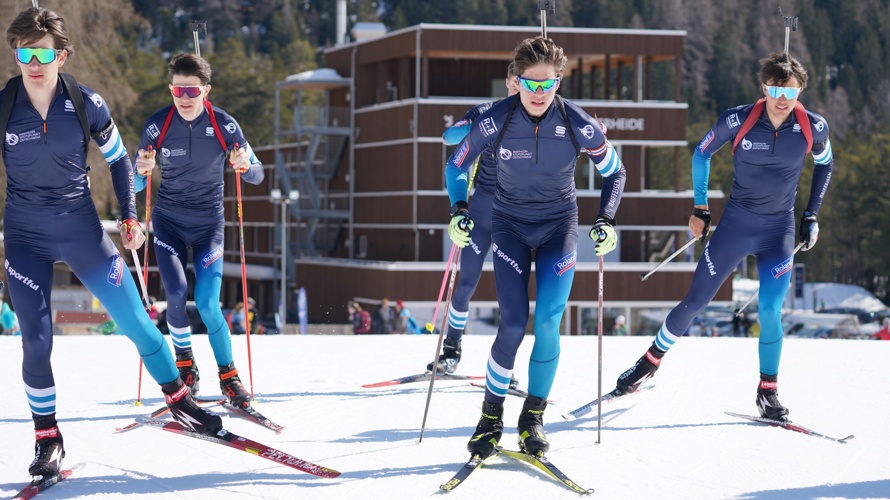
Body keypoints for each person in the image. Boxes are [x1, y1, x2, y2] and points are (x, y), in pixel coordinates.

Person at [2, 7, 221, 478]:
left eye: (42, 53)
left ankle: (181, 401)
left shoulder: (85, 101)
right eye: (23, 53)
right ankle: (47, 438)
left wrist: (127, 216)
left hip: (82, 230)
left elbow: (120, 161)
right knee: (36, 342)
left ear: (61, 55)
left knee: (139, 324)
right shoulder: (4, 105)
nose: (33, 63)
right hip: (24, 238)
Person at [611, 52, 833, 423]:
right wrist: (700, 208)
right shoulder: (739, 119)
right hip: (736, 227)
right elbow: (701, 153)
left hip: (778, 231)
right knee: (696, 300)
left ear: (800, 91)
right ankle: (649, 362)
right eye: (775, 89)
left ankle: (768, 392)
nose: (782, 98)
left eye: (790, 92)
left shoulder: (813, 126)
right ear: (764, 87)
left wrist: (811, 215)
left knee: (770, 310)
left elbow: (825, 165)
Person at [444, 37, 626, 458]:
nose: (540, 94)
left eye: (549, 85)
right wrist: (458, 210)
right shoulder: (496, 119)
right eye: (531, 84)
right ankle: (490, 418)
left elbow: (615, 173)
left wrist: (606, 220)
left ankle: (532, 418)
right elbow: (457, 163)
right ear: (517, 80)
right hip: (508, 228)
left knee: (547, 321)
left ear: (559, 82)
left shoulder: (579, 122)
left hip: (559, 228)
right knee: (512, 323)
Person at [133, 53, 264, 409]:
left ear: (206, 90)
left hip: (208, 226)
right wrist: (141, 170)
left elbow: (258, 173)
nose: (184, 98)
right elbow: (134, 182)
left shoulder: (225, 125)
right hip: (169, 224)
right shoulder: (157, 125)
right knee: (174, 294)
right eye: (177, 90)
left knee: (207, 303)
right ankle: (186, 366)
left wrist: (245, 164)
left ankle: (229, 375)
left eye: (191, 91)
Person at [426, 62, 520, 377]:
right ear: (508, 82)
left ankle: (506, 361)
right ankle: (451, 350)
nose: (522, 88)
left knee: (512, 291)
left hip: (514, 214)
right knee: (466, 282)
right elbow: (447, 137)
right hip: (481, 208)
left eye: (530, 81)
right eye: (517, 80)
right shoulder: (486, 111)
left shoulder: (538, 118)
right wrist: (469, 128)